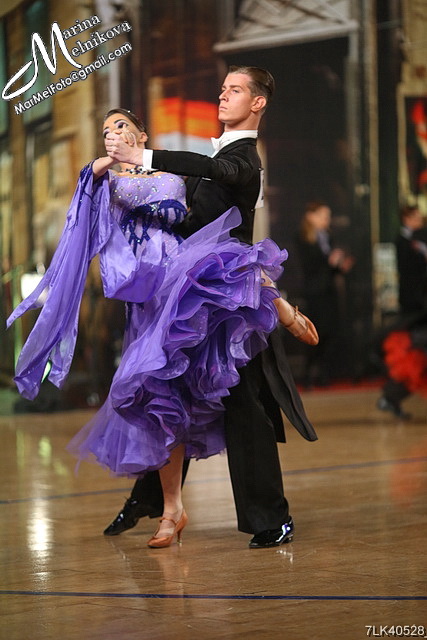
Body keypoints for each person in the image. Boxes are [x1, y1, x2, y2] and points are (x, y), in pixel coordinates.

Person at [103, 65, 318, 548]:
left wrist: (144, 155)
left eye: (234, 90)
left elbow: (217, 175)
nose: (223, 96)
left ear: (258, 103)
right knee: (172, 395)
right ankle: (154, 501)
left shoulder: (243, 159)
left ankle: (272, 518)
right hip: (195, 297)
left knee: (244, 404)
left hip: (231, 305)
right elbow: (191, 222)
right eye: (222, 89)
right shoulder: (219, 154)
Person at [296, 201, 354, 387]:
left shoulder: (328, 236)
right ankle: (308, 373)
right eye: (322, 216)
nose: (326, 220)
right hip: (314, 293)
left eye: (327, 216)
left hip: (330, 291)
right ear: (310, 216)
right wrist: (329, 261)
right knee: (314, 332)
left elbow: (331, 267)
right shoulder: (303, 237)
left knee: (330, 332)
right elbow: (309, 265)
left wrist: (340, 266)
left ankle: (323, 373)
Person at [377, 205, 427, 418]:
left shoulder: (419, 239)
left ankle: (390, 398)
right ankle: (390, 397)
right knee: (416, 355)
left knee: (418, 356)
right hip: (416, 309)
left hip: (419, 309)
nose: (420, 220)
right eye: (416, 217)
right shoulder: (405, 242)